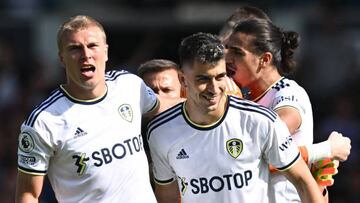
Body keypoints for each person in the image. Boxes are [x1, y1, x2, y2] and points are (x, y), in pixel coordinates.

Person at [147, 32, 324, 203]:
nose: (214, 88)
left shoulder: (260, 121)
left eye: (220, 77)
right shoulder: (161, 132)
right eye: (203, 79)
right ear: (183, 79)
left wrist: (324, 150)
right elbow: (167, 197)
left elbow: (303, 181)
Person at [15, 15, 174, 203]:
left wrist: (205, 101)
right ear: (61, 58)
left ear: (106, 52)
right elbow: (28, 195)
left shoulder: (129, 85)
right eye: (75, 48)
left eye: (92, 46)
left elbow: (164, 105)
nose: (86, 54)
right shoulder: (44, 121)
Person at [225, 18, 351, 202]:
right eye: (227, 49)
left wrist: (324, 150)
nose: (227, 58)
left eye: (237, 52)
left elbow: (259, 151)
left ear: (264, 59)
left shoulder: (288, 94)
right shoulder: (242, 97)